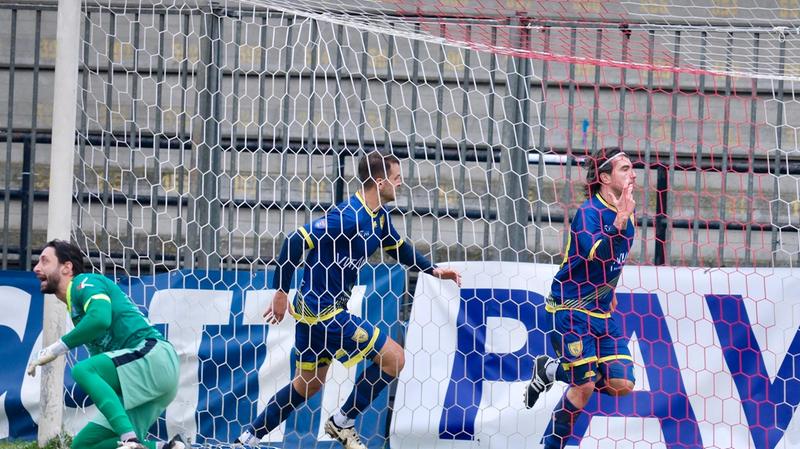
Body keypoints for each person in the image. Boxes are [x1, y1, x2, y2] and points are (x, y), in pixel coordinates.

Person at [236, 151, 461, 449]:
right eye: (396, 179)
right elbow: (295, 240)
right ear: (380, 182)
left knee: (307, 385)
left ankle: (247, 439)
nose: (401, 184)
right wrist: (280, 292)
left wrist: (432, 269)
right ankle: (342, 421)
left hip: (317, 313)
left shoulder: (379, 218)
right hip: (323, 313)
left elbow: (398, 247)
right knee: (395, 359)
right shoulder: (348, 216)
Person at [524, 147, 637, 449]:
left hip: (600, 311)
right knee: (584, 385)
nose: (634, 174)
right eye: (625, 169)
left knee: (621, 384)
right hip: (569, 309)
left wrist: (610, 290)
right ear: (605, 177)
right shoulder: (589, 213)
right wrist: (620, 219)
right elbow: (597, 253)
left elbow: (614, 261)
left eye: (632, 168)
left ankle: (550, 369)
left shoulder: (627, 214)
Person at [27, 240, 186, 449]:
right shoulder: (76, 309)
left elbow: (100, 319)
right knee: (82, 446)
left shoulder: (84, 282)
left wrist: (56, 348)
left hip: (154, 357)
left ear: (67, 267)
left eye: (44, 261)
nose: (36, 268)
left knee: (83, 370)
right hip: (147, 377)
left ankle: (129, 439)